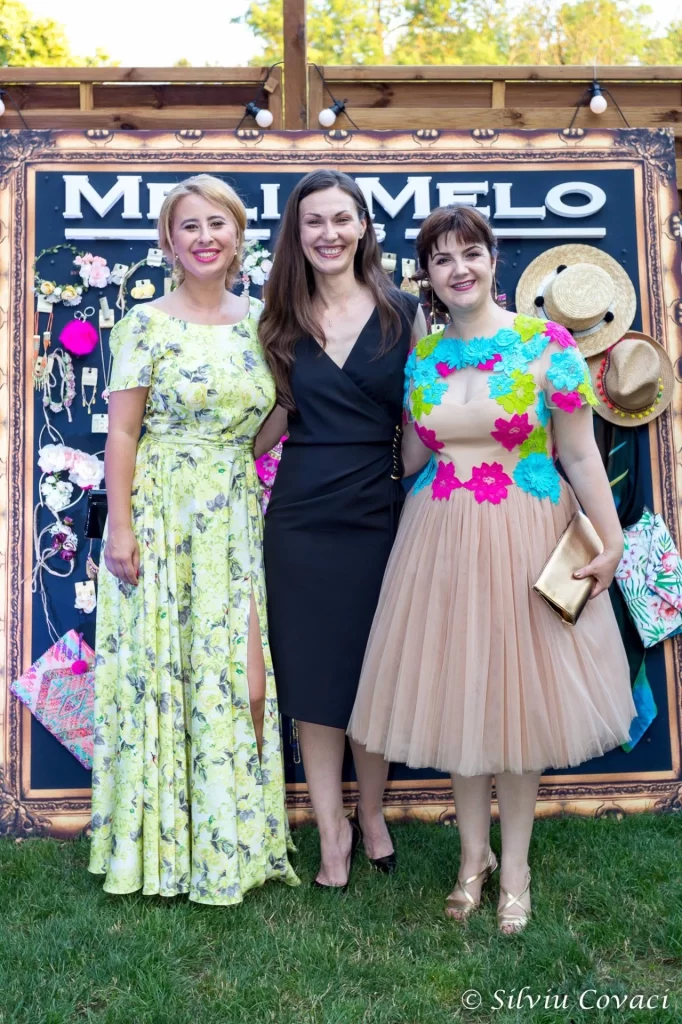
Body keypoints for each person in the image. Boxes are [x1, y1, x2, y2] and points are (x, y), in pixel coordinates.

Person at [348, 206, 636, 932]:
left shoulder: (546, 343)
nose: (459, 269)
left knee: (517, 701)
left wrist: (610, 539)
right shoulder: (424, 356)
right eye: (442, 259)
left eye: (470, 253)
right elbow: (415, 454)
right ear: (428, 275)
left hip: (526, 531)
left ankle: (516, 871)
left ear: (492, 260)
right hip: (440, 535)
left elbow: (580, 452)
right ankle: (470, 861)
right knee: (462, 693)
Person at [89, 174, 299, 905]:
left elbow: (282, 412)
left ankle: (235, 841)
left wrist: (236, 456)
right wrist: (120, 527)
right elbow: (123, 431)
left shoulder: (265, 323)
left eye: (217, 223)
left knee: (245, 680)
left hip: (231, 515)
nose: (205, 237)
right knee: (161, 676)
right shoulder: (143, 323)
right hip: (159, 512)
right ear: (169, 242)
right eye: (189, 226)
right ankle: (162, 850)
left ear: (238, 236)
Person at [256, 170, 425, 889]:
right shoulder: (277, 319)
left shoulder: (405, 312)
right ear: (296, 235)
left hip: (375, 514)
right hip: (300, 518)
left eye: (341, 218)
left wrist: (395, 490)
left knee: (369, 673)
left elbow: (419, 425)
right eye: (313, 221)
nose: (329, 233)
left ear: (362, 227)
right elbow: (271, 417)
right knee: (314, 677)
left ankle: (374, 813)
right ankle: (333, 832)